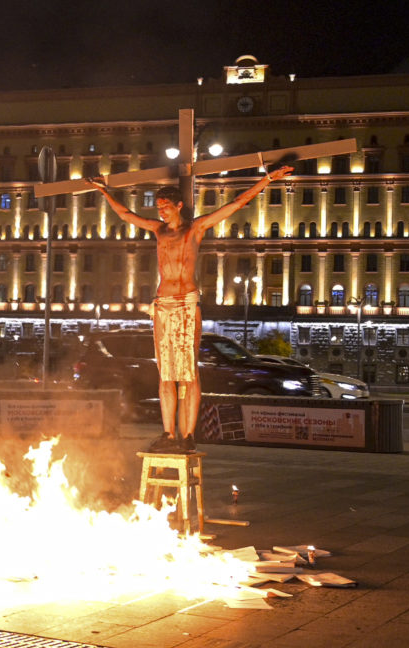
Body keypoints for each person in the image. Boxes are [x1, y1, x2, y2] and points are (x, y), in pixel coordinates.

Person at [86, 167, 293, 453]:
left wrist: (267, 180)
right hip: (163, 305)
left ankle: (188, 434)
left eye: (166, 207)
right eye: (158, 208)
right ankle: (169, 433)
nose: (161, 213)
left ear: (179, 206)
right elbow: (126, 215)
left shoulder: (195, 229)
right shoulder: (158, 230)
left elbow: (234, 205)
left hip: (186, 303)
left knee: (189, 373)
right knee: (165, 374)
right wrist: (104, 191)